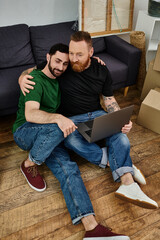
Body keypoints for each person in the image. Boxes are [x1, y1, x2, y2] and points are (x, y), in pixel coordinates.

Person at [19, 31, 158, 240]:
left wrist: (120, 118)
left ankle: (128, 184)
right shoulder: (62, 65)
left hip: (96, 114)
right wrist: (22, 78)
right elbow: (37, 71)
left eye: (79, 55)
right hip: (70, 120)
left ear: (91, 53)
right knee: (73, 141)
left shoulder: (101, 69)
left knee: (121, 137)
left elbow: (109, 99)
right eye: (71, 53)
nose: (73, 59)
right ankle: (118, 164)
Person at [12, 43, 77, 192]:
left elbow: (82, 62)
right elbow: (30, 113)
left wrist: (96, 60)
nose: (60, 67)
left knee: (72, 128)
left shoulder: (58, 73)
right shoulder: (35, 80)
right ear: (48, 57)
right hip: (24, 131)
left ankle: (102, 158)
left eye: (65, 63)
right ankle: (29, 164)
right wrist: (59, 118)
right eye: (57, 61)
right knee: (59, 128)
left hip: (45, 129)